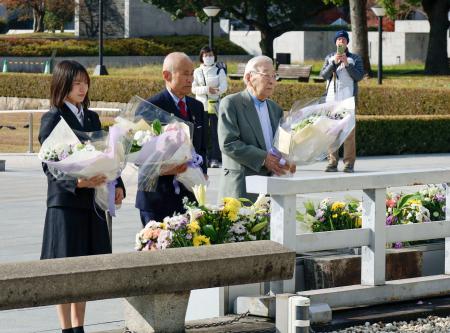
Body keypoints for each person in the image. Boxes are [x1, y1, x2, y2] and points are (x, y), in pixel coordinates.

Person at [38, 60, 125, 333]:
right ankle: (66, 328)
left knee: (85, 267)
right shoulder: (52, 117)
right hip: (66, 204)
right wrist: (78, 181)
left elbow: (106, 153)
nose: (82, 87)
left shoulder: (92, 117)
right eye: (76, 83)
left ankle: (79, 326)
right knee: (65, 269)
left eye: (85, 82)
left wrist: (117, 182)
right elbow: (49, 163)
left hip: (92, 203)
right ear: (62, 85)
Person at [135, 52, 208, 227]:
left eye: (192, 73)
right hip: (157, 198)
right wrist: (163, 168)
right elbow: (136, 153)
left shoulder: (197, 107)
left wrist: (201, 173)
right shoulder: (149, 107)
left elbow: (203, 147)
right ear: (166, 75)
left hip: (189, 196)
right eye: (185, 74)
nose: (190, 79)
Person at [217, 55, 295, 201]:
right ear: (248, 78)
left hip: (270, 188)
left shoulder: (275, 108)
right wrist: (263, 158)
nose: (272, 81)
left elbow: (281, 144)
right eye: (267, 75)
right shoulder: (231, 103)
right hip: (242, 188)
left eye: (274, 76)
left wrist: (289, 159)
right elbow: (228, 143)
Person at [320, 30, 364, 173]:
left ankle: (349, 163)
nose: (341, 42)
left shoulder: (355, 58)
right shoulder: (329, 57)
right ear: (335, 42)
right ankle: (332, 162)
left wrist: (347, 63)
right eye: (339, 40)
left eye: (344, 40)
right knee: (331, 132)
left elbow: (358, 76)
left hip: (348, 102)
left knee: (349, 134)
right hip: (331, 101)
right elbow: (324, 75)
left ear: (347, 43)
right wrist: (334, 63)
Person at [192, 46, 228, 168]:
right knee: (201, 133)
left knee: (215, 133)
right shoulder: (197, 71)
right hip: (201, 106)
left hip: (214, 106)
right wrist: (207, 89)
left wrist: (216, 91)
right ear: (201, 57)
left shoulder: (219, 70)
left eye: (211, 55)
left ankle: (214, 158)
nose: (208, 57)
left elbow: (224, 87)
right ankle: (202, 157)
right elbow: (193, 88)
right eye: (206, 55)